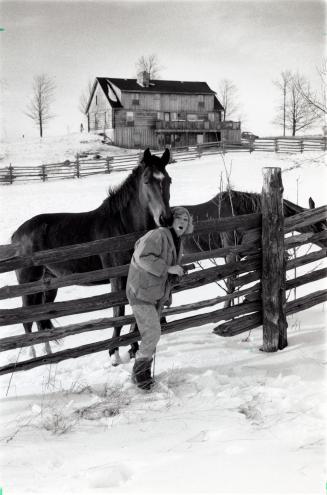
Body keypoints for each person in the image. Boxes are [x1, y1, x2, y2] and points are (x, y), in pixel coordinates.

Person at [126, 206, 194, 390]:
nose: (182, 222)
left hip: (154, 293)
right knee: (153, 333)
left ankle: (143, 374)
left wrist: (176, 271)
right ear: (170, 220)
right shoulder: (158, 235)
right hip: (140, 291)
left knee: (152, 333)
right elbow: (142, 256)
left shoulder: (174, 239)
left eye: (186, 220)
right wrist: (168, 269)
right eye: (179, 218)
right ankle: (140, 376)